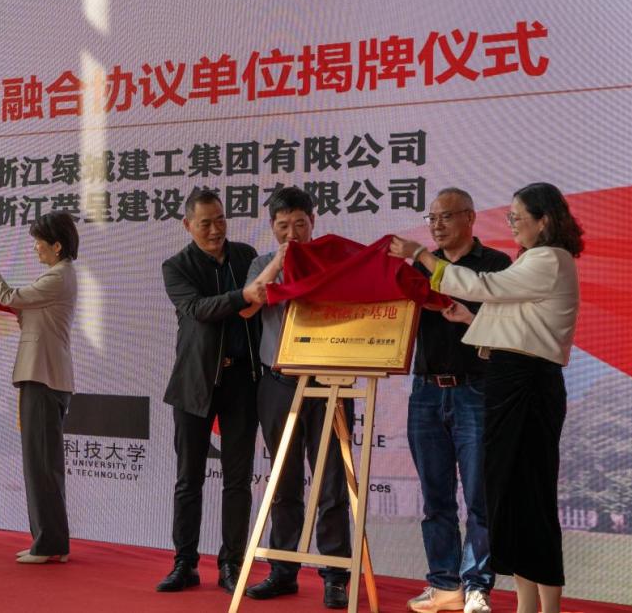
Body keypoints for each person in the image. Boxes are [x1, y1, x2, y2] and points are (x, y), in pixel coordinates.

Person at [389, 182, 583, 613]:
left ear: (543, 221)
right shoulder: (533, 259)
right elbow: (513, 322)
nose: (511, 223)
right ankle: (523, 603)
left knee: (526, 499)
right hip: (507, 382)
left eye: (517, 217)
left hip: (526, 386)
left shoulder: (549, 258)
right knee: (510, 499)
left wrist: (420, 255)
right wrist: (469, 318)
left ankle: (538, 604)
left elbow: (484, 287)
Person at [239, 186, 354, 608]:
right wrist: (280, 262)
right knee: (283, 481)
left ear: (313, 222)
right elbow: (248, 307)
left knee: (331, 482)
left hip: (329, 383)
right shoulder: (261, 264)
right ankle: (283, 570)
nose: (292, 233)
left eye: (300, 225)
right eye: (283, 226)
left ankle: (335, 575)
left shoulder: (333, 260)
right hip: (278, 383)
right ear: (272, 226)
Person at [401, 189, 511, 613]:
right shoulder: (419, 266)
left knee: (480, 496)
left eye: (446, 217)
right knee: (435, 498)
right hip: (426, 391)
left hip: (476, 389)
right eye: (431, 218)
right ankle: (444, 584)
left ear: (470, 217)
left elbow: (508, 323)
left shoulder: (496, 265)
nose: (437, 226)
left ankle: (477, 586)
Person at [156, 188, 263, 594]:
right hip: (194, 383)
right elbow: (198, 309)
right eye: (206, 223)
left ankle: (232, 564)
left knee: (238, 481)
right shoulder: (176, 267)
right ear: (188, 225)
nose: (216, 230)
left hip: (243, 382)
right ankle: (184, 563)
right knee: (189, 480)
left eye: (220, 220)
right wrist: (243, 297)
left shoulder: (246, 256)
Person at [0, 211, 79, 564]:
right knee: (44, 463)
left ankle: (48, 544)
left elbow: (8, 296)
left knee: (41, 464)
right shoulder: (59, 276)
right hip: (45, 376)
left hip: (43, 376)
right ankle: (51, 542)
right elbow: (24, 310)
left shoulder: (58, 276)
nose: (35, 248)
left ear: (57, 246)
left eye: (39, 242)